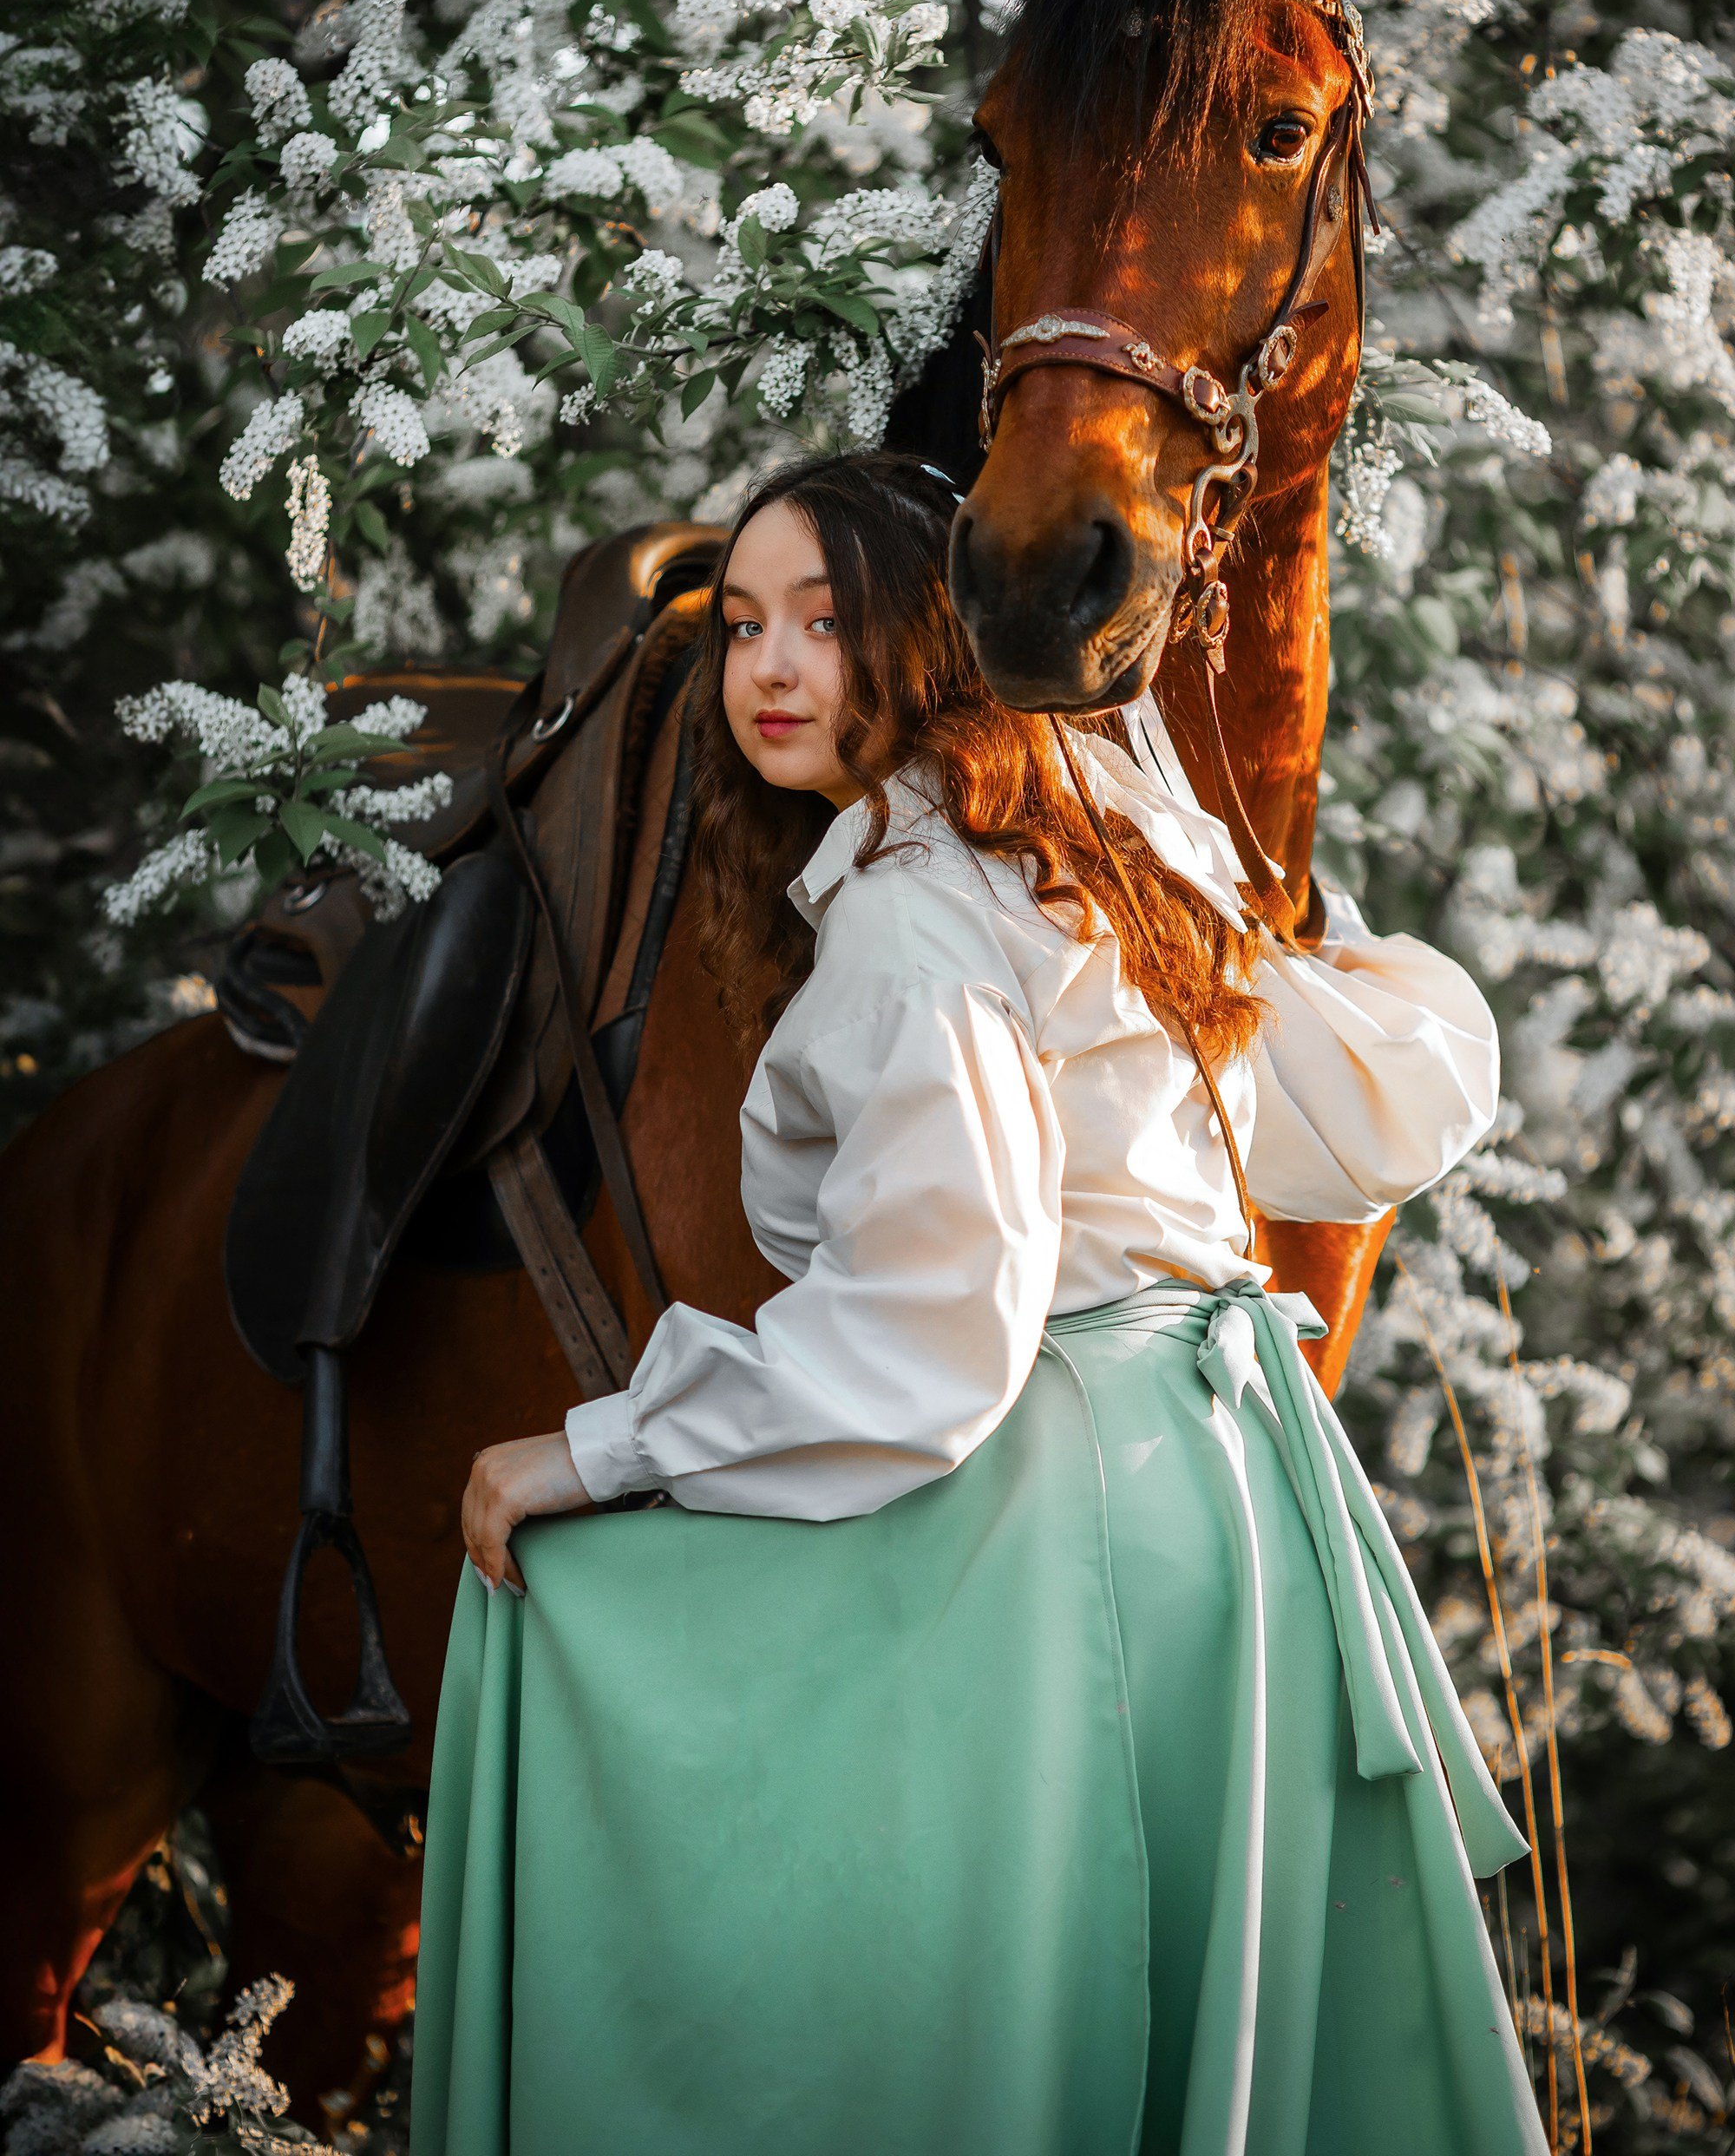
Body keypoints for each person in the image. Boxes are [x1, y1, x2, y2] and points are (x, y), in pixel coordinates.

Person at [411, 451, 1546, 2156]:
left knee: (616, 1660)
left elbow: (934, 1329)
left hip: (1063, 1506)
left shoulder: (908, 924)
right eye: (740, 628)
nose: (771, 671)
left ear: (930, 645)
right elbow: (1386, 1104)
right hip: (1227, 1499)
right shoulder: (1090, 857)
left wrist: (588, 1452)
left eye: (825, 621)